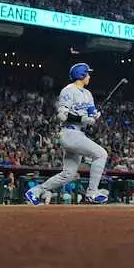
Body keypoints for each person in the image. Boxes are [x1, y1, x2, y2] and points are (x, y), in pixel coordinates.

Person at [25, 63, 109, 206]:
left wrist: (94, 116)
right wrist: (82, 119)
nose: (89, 76)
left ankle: (35, 191)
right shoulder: (68, 90)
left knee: (68, 174)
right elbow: (62, 116)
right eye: (87, 73)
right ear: (81, 75)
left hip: (79, 135)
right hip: (70, 133)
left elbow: (90, 114)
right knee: (101, 154)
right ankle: (92, 193)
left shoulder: (88, 94)